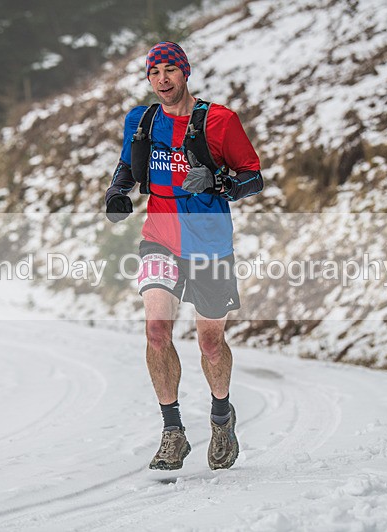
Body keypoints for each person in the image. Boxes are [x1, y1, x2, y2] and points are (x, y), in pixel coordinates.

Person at [104, 41, 263, 471]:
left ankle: (221, 416)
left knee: (211, 342)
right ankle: (172, 432)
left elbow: (253, 178)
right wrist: (117, 193)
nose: (162, 80)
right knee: (156, 331)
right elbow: (126, 168)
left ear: (185, 73)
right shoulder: (142, 120)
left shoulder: (220, 120)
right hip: (160, 237)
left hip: (210, 243)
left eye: (170, 71)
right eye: (155, 73)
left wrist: (217, 181)